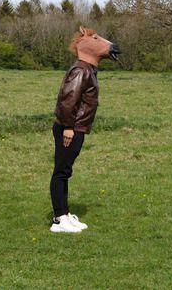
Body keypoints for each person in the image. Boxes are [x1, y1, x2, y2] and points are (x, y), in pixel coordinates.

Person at [50, 26, 120, 233]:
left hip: (76, 128)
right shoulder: (81, 70)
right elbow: (67, 101)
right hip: (70, 129)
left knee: (66, 171)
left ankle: (64, 213)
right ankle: (59, 219)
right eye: (97, 39)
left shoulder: (87, 69)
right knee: (61, 172)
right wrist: (69, 128)